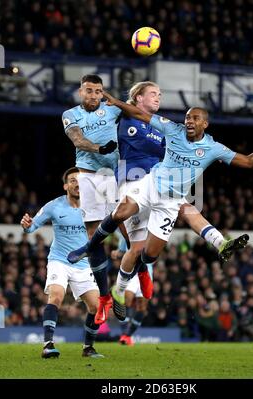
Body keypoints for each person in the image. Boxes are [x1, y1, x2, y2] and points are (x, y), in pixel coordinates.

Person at [68, 90, 253, 321]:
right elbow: (139, 114)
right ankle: (96, 256)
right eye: (187, 117)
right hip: (149, 185)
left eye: (194, 119)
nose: (188, 122)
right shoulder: (173, 129)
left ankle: (125, 283)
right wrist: (117, 103)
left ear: (205, 123)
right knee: (121, 212)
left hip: (170, 202)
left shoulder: (213, 148)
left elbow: (251, 162)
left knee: (149, 256)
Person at [20, 167, 103, 358]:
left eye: (80, 180)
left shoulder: (94, 207)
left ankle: (88, 348)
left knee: (96, 307)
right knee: (56, 296)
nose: (77, 183)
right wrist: (27, 225)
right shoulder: (54, 206)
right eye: (72, 180)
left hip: (82, 264)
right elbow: (32, 227)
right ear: (66, 185)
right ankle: (48, 345)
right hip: (59, 261)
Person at [62, 74, 121, 325]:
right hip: (88, 177)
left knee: (130, 232)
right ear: (80, 91)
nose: (93, 95)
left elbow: (137, 113)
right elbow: (77, 139)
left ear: (103, 93)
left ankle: (125, 284)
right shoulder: (70, 114)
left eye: (98, 91)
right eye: (89, 90)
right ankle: (105, 297)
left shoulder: (113, 109)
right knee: (94, 238)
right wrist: (99, 148)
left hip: (117, 176)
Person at [111, 233, 153, 346]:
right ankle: (124, 333)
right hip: (132, 274)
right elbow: (122, 253)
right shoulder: (128, 234)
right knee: (125, 301)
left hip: (147, 274)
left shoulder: (153, 233)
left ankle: (127, 336)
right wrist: (116, 254)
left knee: (142, 308)